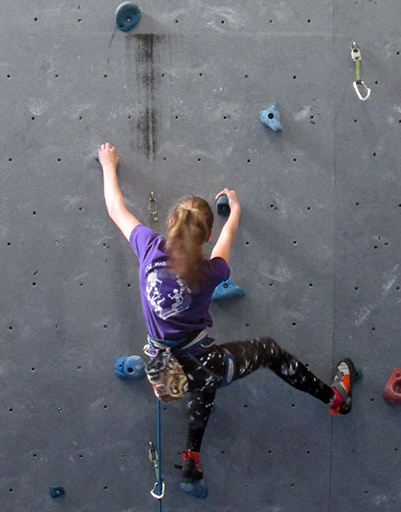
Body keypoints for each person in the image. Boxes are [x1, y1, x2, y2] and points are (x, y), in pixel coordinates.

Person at [98, 142, 355, 497]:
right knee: (267, 352)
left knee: (204, 388)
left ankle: (192, 460)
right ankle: (336, 398)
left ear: (170, 224)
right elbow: (227, 237)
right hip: (203, 362)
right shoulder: (212, 271)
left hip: (163, 364)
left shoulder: (147, 246)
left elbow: (116, 208)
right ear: (205, 236)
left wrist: (108, 165)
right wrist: (233, 209)